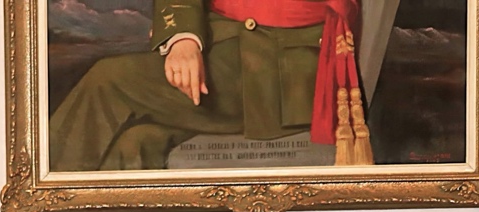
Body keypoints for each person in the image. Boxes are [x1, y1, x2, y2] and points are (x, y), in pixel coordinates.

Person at [48, 0, 369, 171]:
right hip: (225, 53)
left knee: (107, 80)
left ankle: (46, 200)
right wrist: (183, 38)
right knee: (134, 143)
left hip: (284, 74)